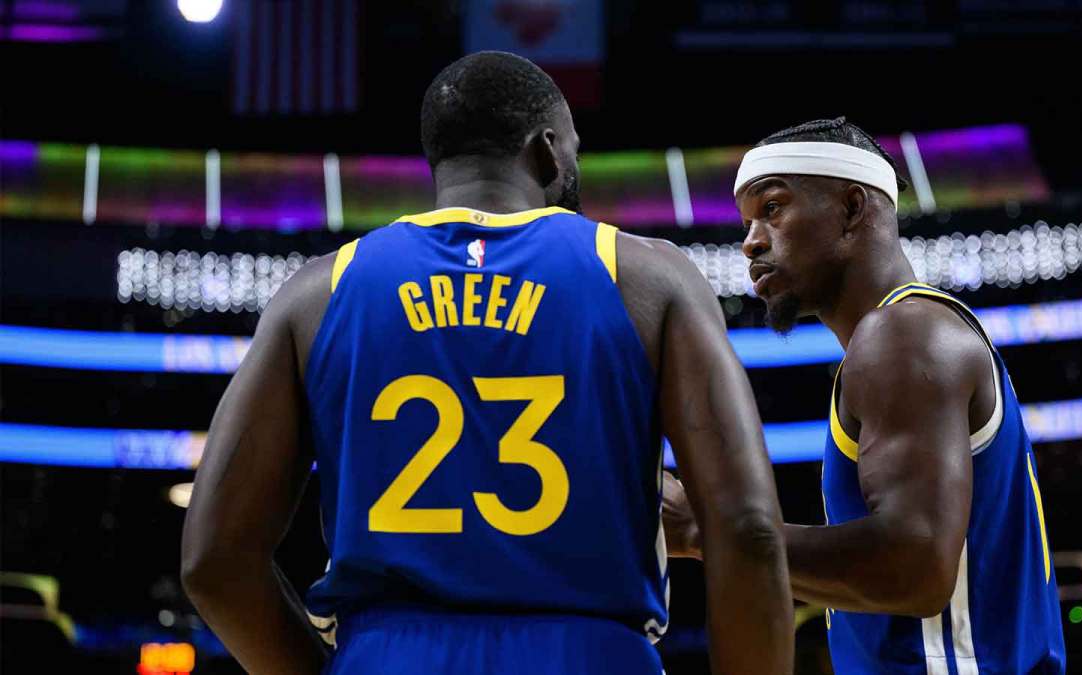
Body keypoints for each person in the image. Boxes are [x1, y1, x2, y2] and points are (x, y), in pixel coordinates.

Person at [180, 51, 793, 675]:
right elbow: (748, 531)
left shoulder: (319, 291)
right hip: (590, 653)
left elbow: (213, 563)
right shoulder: (650, 277)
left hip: (388, 654)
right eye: (574, 151)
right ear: (549, 150)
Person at [663, 117, 1066, 674]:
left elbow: (913, 569)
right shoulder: (901, 340)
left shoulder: (903, 335)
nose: (751, 240)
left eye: (773, 209)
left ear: (853, 209)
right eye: (749, 221)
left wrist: (702, 531)